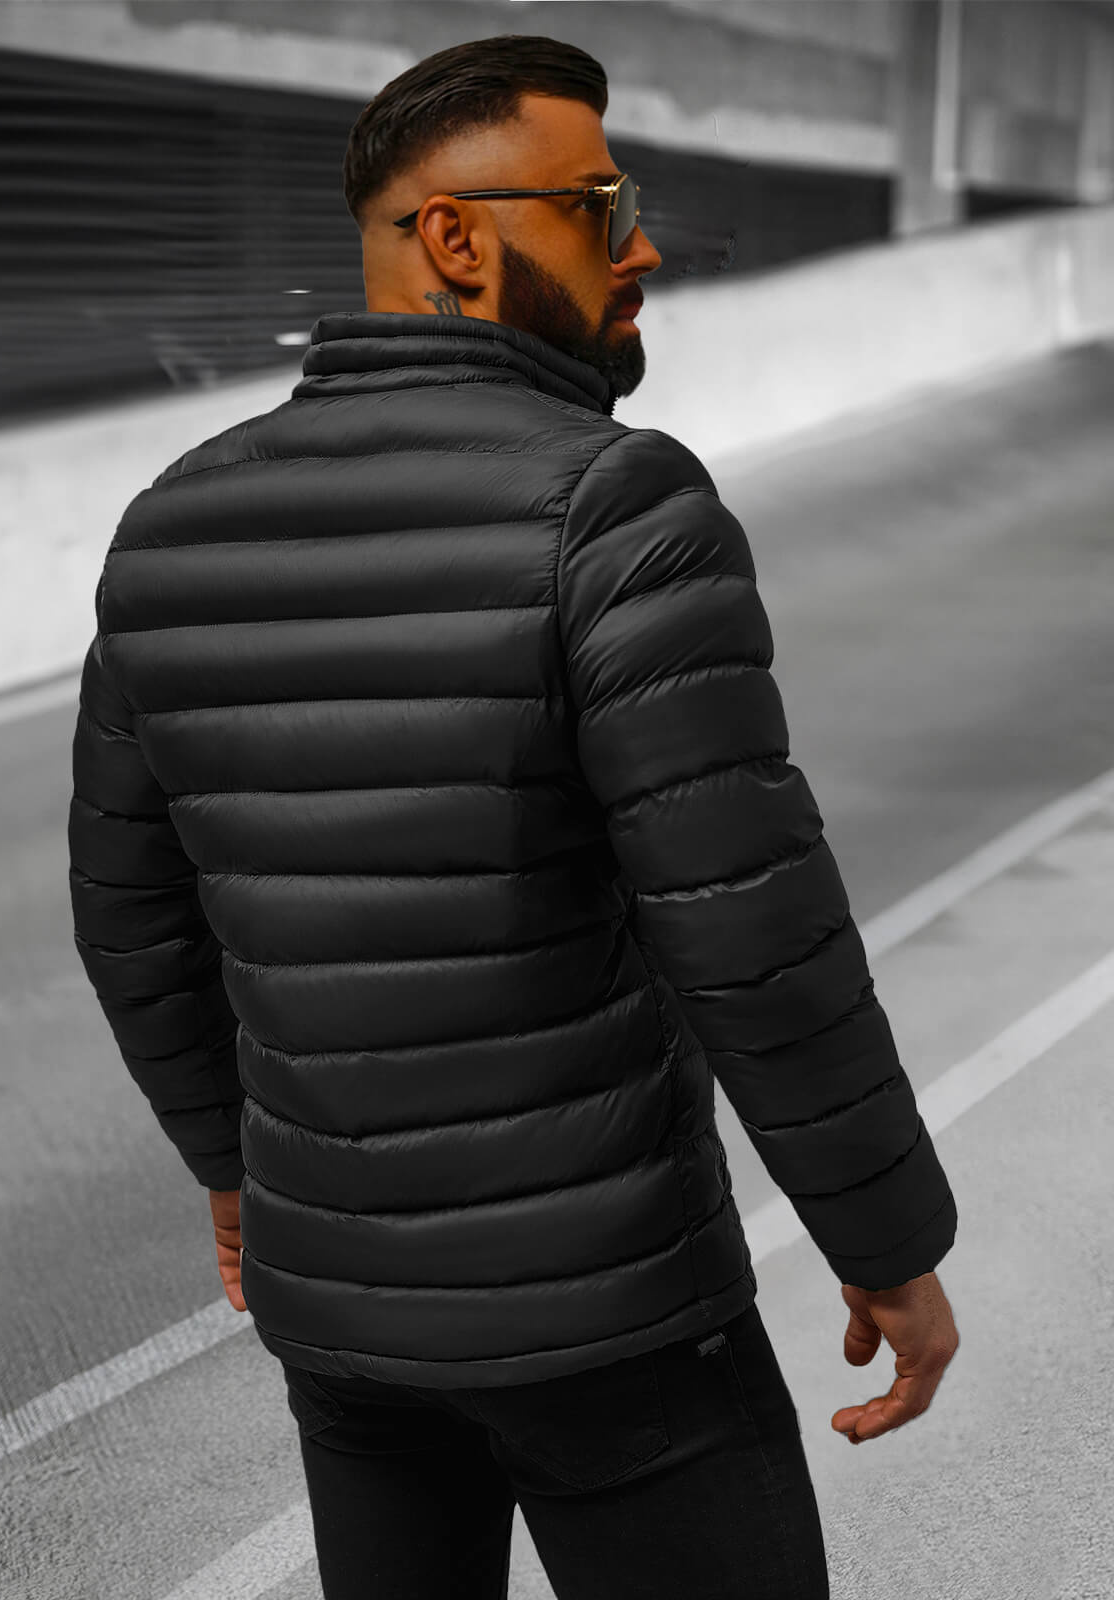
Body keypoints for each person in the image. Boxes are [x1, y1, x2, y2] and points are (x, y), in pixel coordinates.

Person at [68, 33, 960, 1600]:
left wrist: (234, 1171)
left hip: (344, 1331)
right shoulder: (618, 508)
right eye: (604, 211)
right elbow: (753, 935)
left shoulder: (171, 528)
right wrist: (885, 1242)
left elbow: (130, 917)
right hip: (613, 1324)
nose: (644, 249)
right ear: (459, 240)